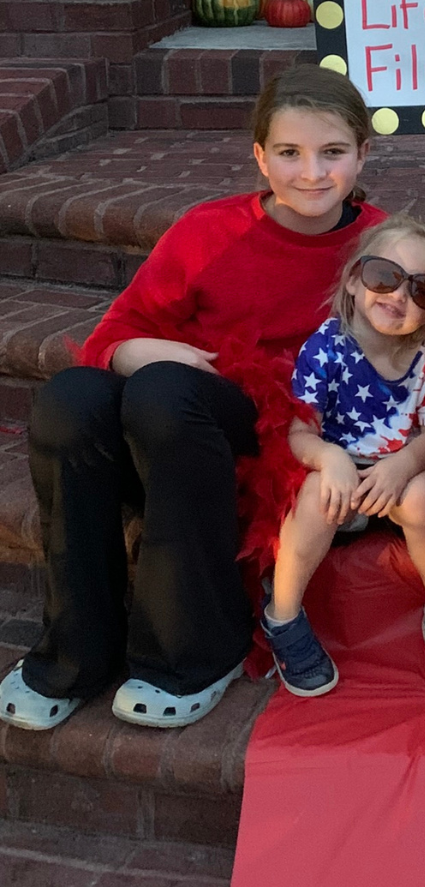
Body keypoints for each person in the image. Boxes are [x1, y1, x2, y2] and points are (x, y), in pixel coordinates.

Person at [0, 64, 386, 730]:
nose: (311, 174)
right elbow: (112, 334)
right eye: (289, 154)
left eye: (333, 153)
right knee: (69, 401)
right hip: (178, 424)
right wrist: (141, 349)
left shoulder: (382, 246)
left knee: (164, 394)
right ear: (260, 157)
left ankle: (191, 653)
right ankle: (75, 653)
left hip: (289, 432)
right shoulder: (211, 232)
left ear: (362, 154)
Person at [261, 213, 425, 697]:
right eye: (385, 276)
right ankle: (284, 615)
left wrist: (403, 464)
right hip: (338, 479)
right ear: (355, 281)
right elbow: (299, 433)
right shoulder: (328, 346)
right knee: (315, 491)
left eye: (422, 289)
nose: (398, 296)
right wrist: (328, 458)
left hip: (397, 479)